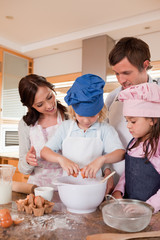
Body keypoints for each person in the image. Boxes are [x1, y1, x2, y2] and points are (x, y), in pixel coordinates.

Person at [41, 74, 125, 184]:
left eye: (92, 115)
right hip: (69, 185)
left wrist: (102, 160)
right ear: (73, 111)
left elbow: (120, 153)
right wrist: (61, 159)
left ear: (100, 110)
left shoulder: (105, 130)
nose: (86, 121)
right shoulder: (65, 128)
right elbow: (44, 152)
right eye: (81, 115)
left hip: (95, 187)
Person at [105, 37, 160, 184]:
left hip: (153, 183)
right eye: (116, 73)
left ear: (145, 65)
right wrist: (107, 170)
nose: (121, 80)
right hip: (118, 182)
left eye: (126, 73)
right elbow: (104, 139)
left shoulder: (158, 92)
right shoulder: (112, 98)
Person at [112, 83, 160, 213]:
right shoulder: (134, 143)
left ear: (153, 120)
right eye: (126, 120)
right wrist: (118, 190)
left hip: (153, 212)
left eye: (133, 121)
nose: (128, 126)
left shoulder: (157, 146)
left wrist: (149, 207)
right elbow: (129, 172)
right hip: (130, 208)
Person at [18, 74, 68, 187]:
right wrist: (27, 161)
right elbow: (22, 168)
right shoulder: (25, 124)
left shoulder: (70, 117)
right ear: (31, 106)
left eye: (50, 97)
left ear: (52, 89)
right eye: (40, 104)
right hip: (38, 189)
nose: (50, 105)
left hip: (67, 186)